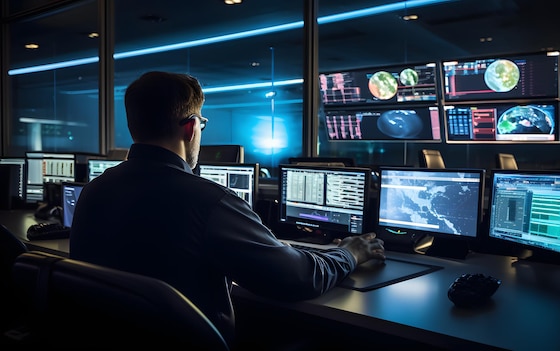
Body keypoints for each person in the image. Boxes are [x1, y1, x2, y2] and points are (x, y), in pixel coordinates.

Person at [69, 71, 385, 348]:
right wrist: (349, 253)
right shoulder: (209, 200)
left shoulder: (94, 191)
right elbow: (299, 278)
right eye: (202, 124)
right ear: (190, 128)